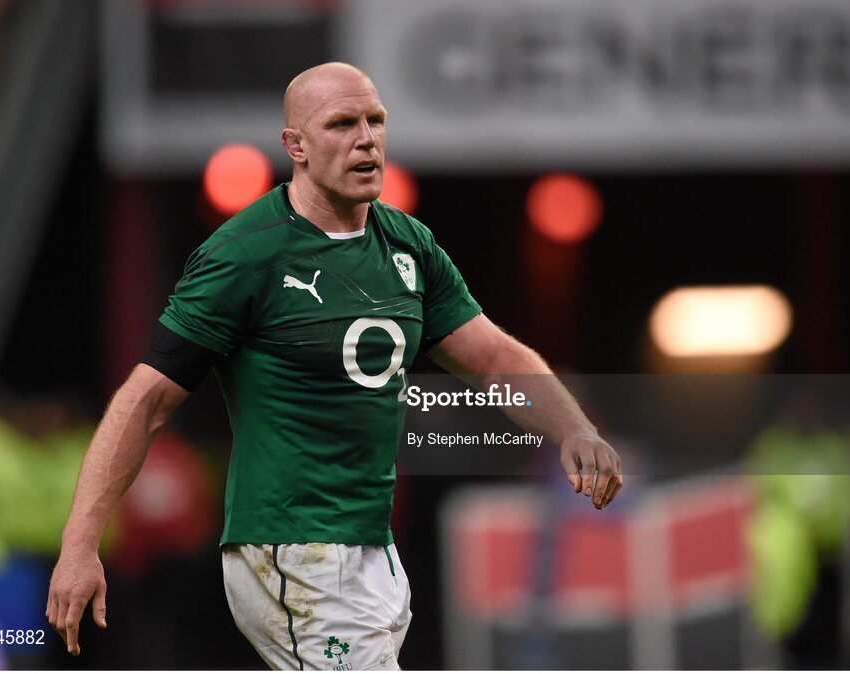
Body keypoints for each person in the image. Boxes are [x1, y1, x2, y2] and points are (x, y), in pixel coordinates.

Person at [46, 62, 622, 670]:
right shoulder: (247, 253)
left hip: (368, 546)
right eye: (341, 124)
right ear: (294, 145)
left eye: (375, 121)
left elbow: (494, 356)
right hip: (292, 547)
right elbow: (145, 399)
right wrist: (80, 545)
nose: (365, 138)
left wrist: (574, 429)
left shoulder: (408, 245)